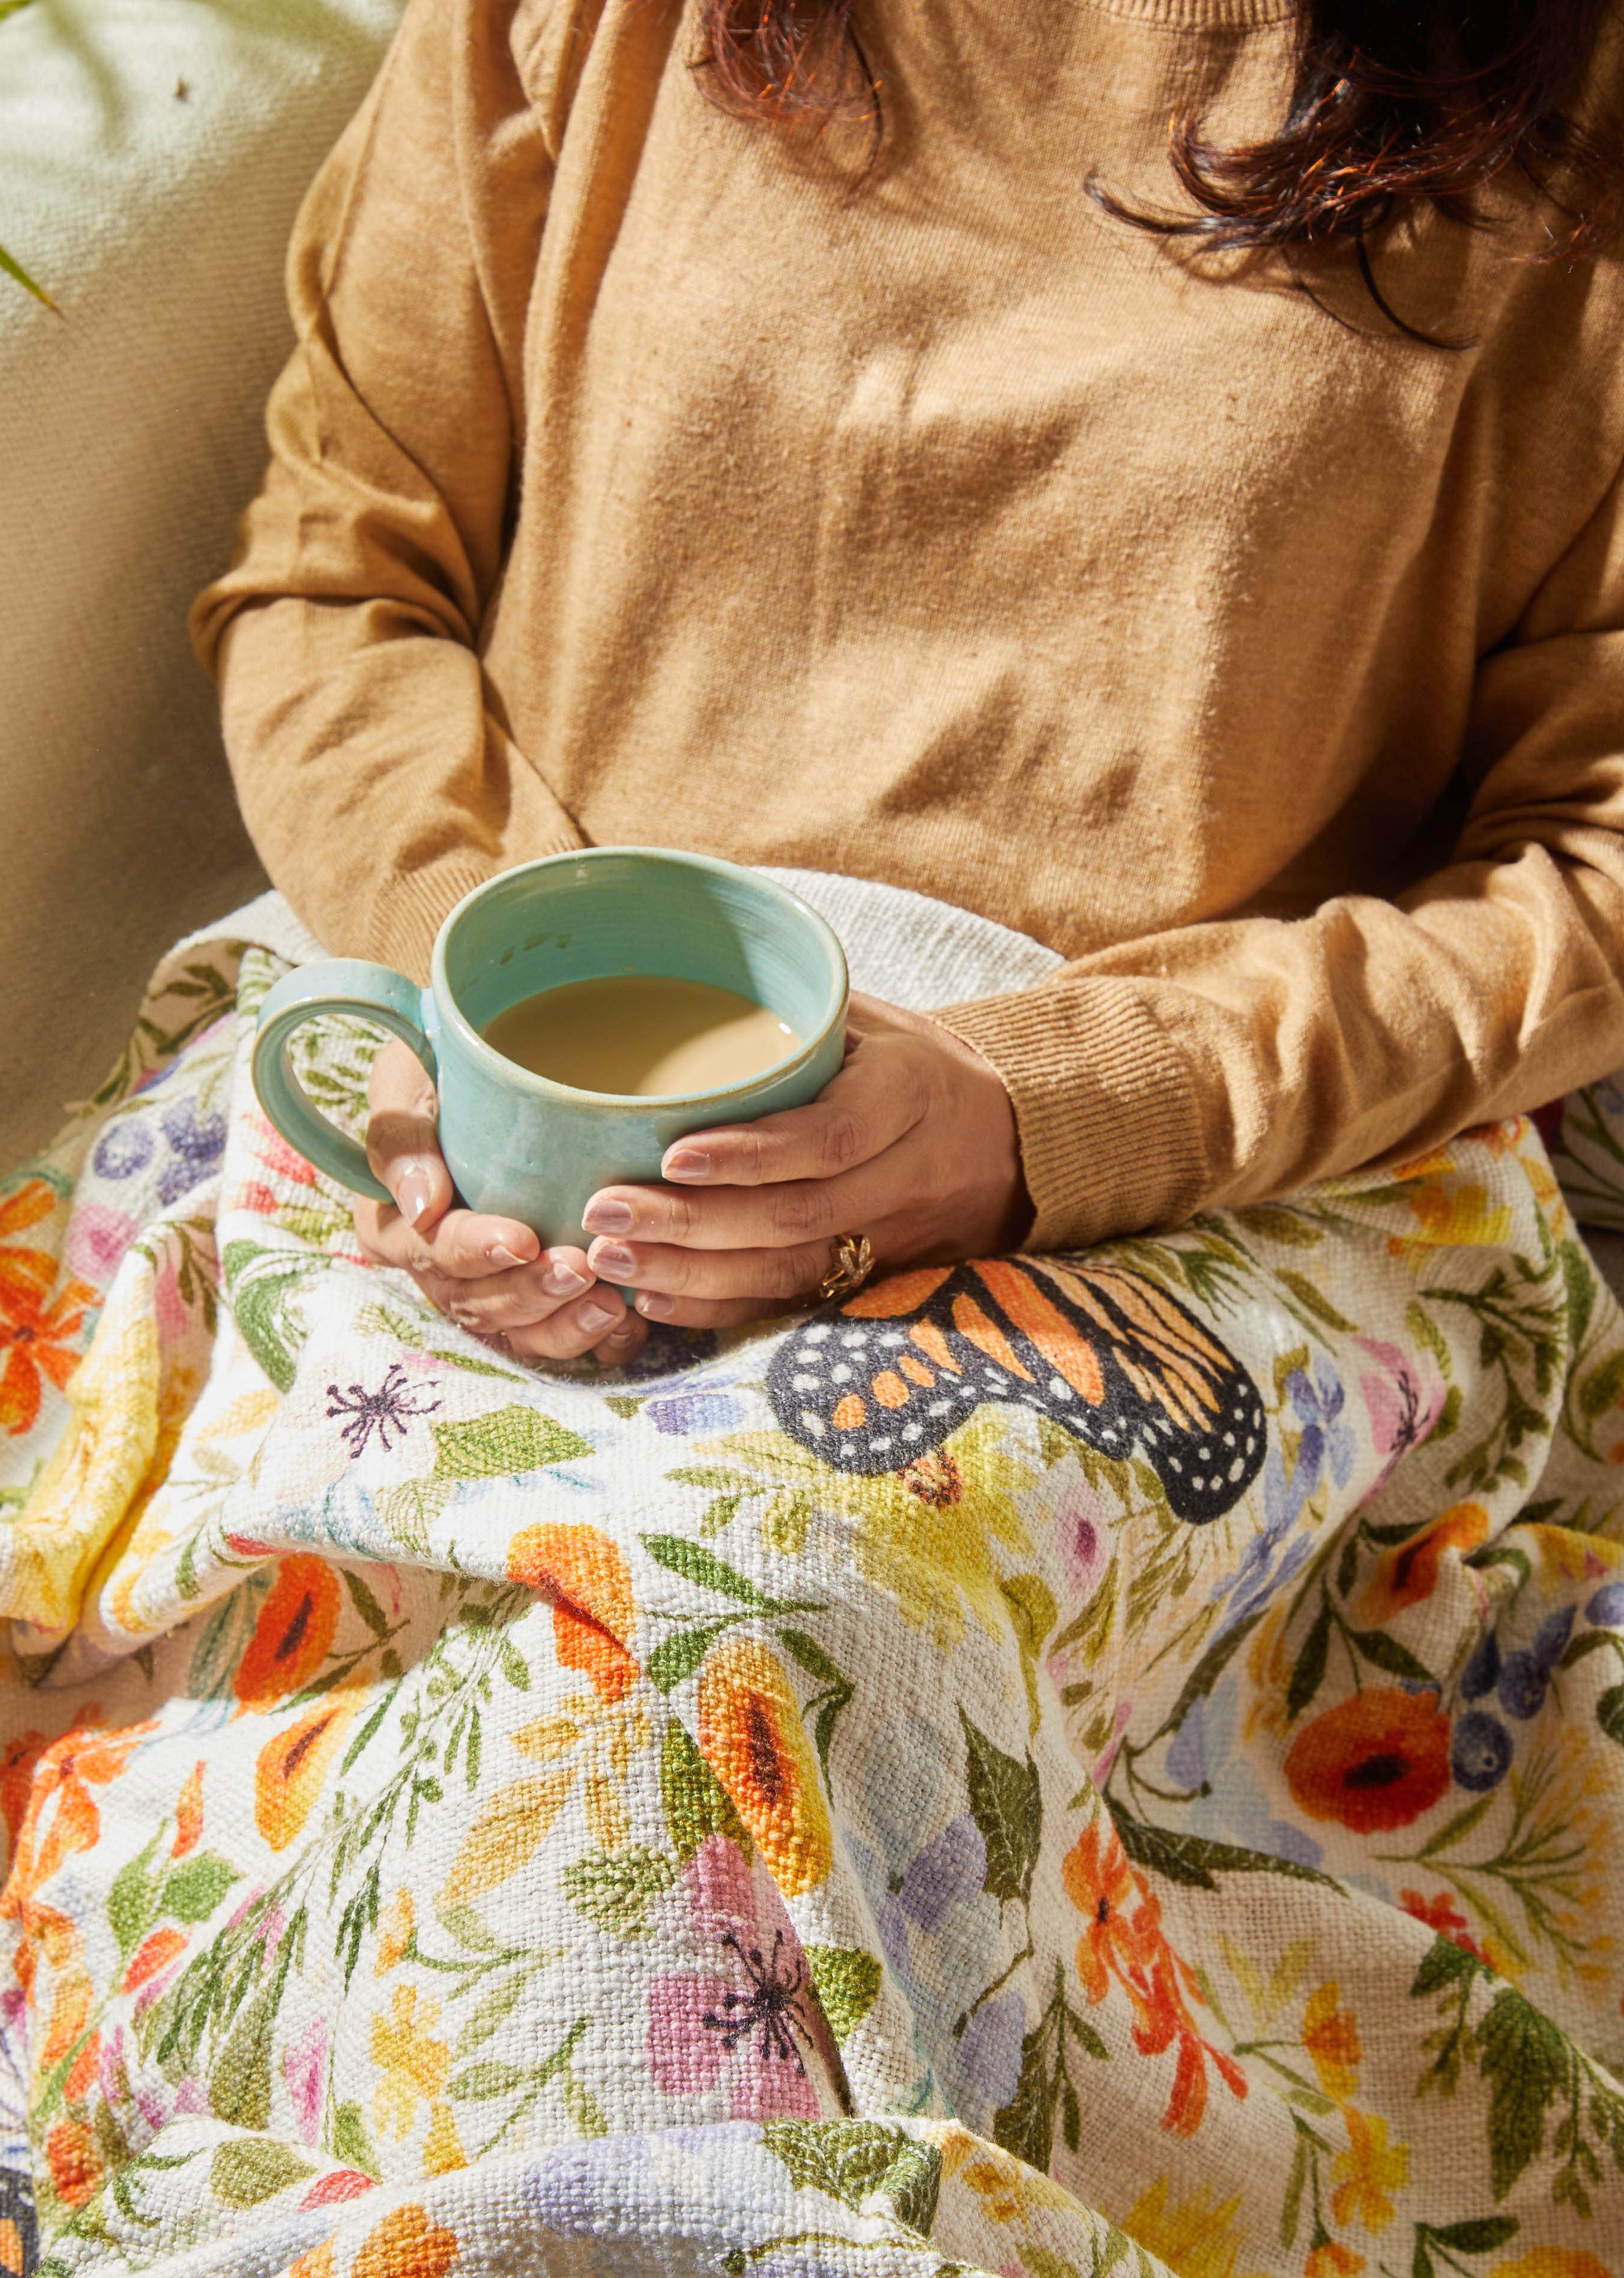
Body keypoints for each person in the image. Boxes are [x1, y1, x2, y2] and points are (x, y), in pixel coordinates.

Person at [188, 0, 1624, 1368]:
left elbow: (1596, 857)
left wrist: (1060, 1113)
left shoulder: (1583, 128)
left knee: (751, 1612)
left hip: (1171, 1202)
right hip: (455, 1040)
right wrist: (464, 1003)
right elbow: (334, 572)